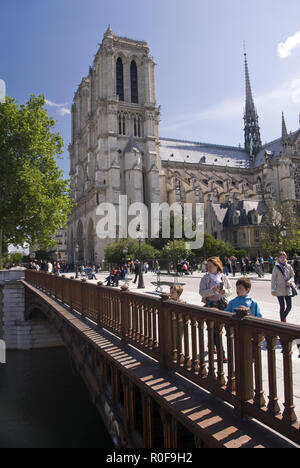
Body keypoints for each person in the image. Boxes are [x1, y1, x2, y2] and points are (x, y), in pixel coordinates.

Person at [199, 257, 233, 363]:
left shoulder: (223, 277)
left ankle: (211, 344)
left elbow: (230, 290)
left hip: (222, 304)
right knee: (214, 329)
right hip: (210, 304)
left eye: (210, 266)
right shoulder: (205, 278)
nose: (208, 268)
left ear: (217, 266)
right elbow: (201, 292)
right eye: (207, 266)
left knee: (218, 328)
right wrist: (212, 291)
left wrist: (224, 291)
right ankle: (221, 353)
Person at [271, 251, 295, 322]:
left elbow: (292, 276)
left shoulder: (289, 266)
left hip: (287, 289)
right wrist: (273, 289)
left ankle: (283, 318)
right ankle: (282, 322)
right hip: (279, 289)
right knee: (282, 306)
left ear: (286, 258)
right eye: (281, 257)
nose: (282, 259)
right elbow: (273, 279)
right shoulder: (276, 267)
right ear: (278, 258)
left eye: (284, 257)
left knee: (289, 306)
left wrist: (290, 281)